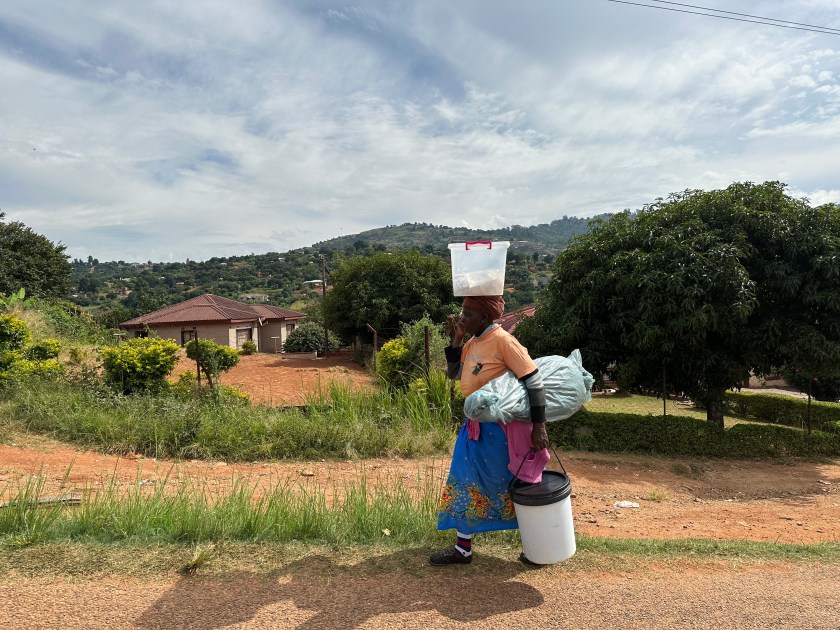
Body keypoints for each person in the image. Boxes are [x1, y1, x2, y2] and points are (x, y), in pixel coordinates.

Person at [430, 295, 549, 566]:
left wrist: (539, 427)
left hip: (502, 432)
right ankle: (463, 549)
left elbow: (534, 381)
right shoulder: (473, 342)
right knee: (464, 481)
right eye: (462, 313)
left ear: (484, 317)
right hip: (474, 429)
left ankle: (538, 547)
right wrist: (457, 339)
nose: (462, 318)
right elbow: (453, 374)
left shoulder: (504, 341)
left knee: (513, 486)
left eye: (468, 314)